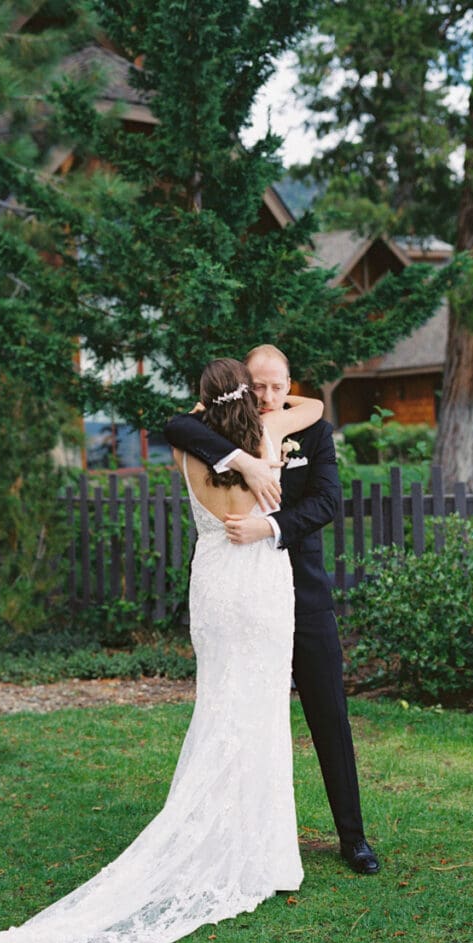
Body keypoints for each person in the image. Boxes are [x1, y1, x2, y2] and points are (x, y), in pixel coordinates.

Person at [0, 358, 323, 943]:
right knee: (261, 713)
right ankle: (264, 857)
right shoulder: (267, 439)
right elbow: (311, 408)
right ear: (247, 399)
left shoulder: (190, 452)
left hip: (215, 583)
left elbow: (182, 423)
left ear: (202, 405)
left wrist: (213, 428)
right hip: (262, 584)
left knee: (220, 709)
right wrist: (252, 431)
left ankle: (244, 847)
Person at [165, 344, 380, 875]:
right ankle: (237, 833)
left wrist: (271, 526)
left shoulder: (311, 429)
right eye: (256, 386)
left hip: (301, 590)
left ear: (290, 385)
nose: (266, 396)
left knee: (329, 712)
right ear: (244, 383)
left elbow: (327, 502)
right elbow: (175, 424)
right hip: (246, 593)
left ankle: (352, 837)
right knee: (244, 710)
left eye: (276, 386)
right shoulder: (220, 429)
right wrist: (239, 457)